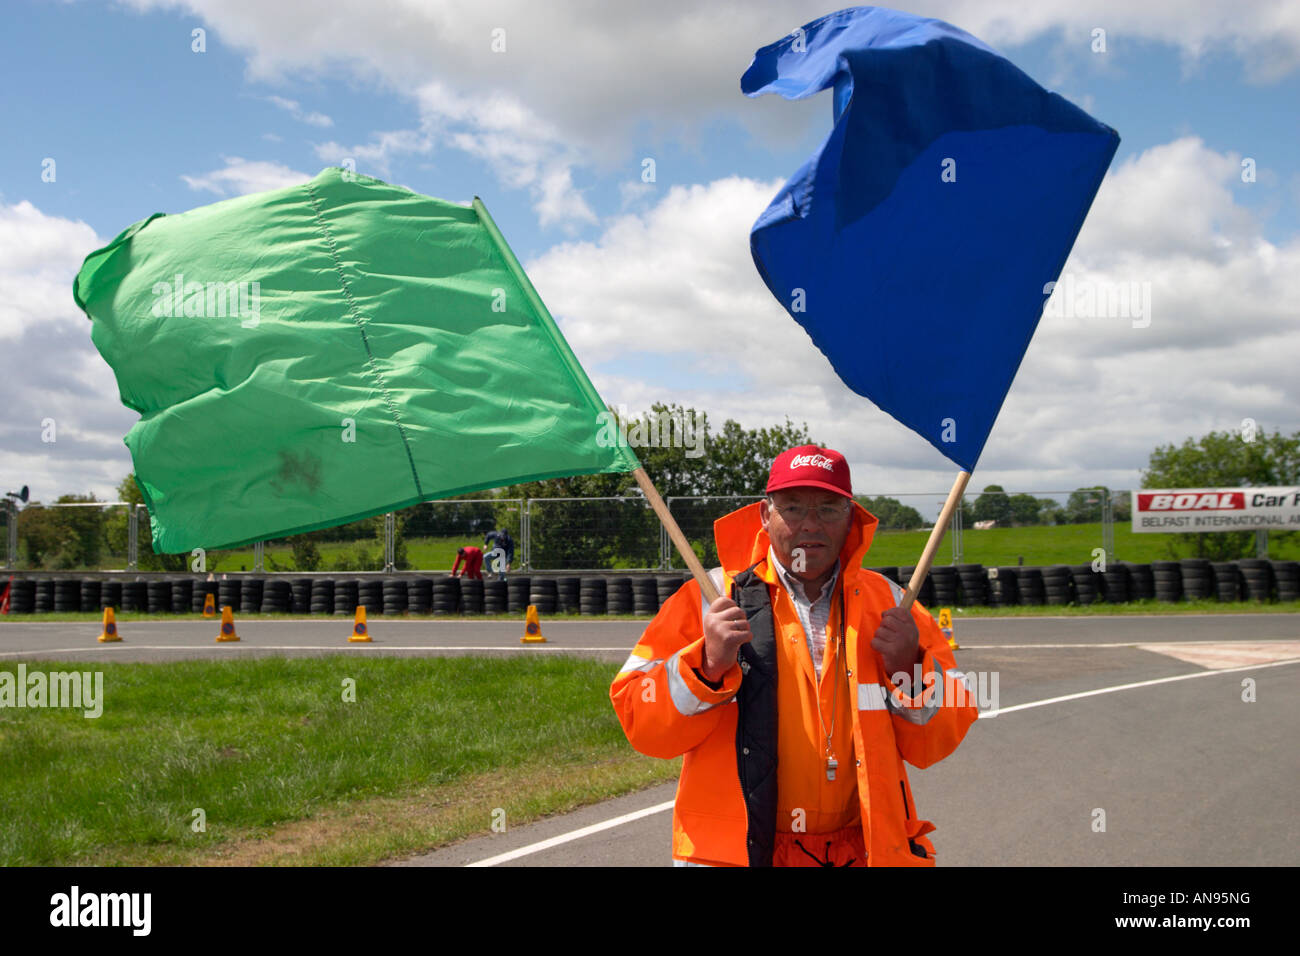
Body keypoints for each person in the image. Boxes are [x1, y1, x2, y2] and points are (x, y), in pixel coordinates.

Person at [610, 444, 978, 866]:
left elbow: (937, 742)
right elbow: (641, 722)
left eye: (827, 508)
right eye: (793, 507)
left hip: (862, 851)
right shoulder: (709, 598)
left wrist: (909, 671)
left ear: (851, 516)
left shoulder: (894, 606)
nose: (810, 524)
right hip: (737, 854)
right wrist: (707, 665)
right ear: (766, 515)